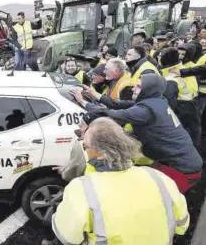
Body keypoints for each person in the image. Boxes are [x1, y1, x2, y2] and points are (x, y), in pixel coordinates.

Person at [52, 117, 189, 245]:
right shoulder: (159, 178)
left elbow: (67, 237)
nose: (85, 150)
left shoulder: (81, 189)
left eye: (86, 146)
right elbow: (182, 226)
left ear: (99, 153)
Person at [71, 74, 203, 193]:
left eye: (138, 86)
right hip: (173, 161)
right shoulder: (156, 101)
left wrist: (83, 102)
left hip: (181, 168)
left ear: (148, 90)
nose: (134, 88)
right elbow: (117, 104)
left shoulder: (145, 111)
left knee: (159, 200)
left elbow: (110, 114)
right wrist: (94, 94)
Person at [159, 47, 201, 151]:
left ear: (163, 60)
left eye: (160, 56)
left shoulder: (170, 79)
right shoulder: (184, 69)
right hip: (194, 107)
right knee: (193, 140)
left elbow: (169, 106)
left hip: (180, 113)